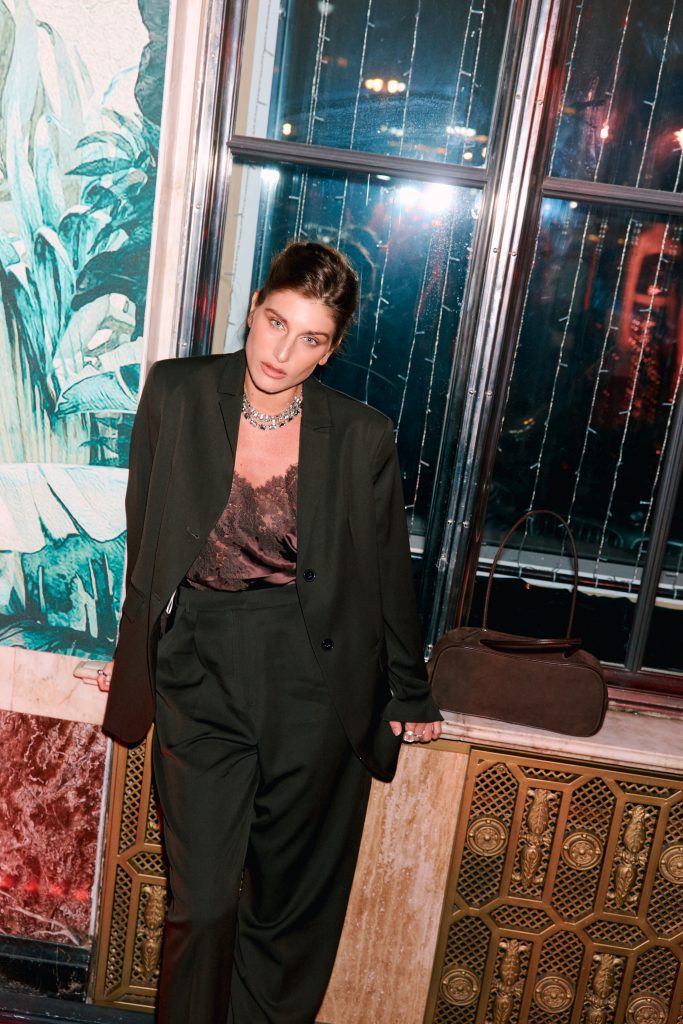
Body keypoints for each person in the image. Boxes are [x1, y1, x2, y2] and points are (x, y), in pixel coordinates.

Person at [101, 240, 443, 1024]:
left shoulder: (359, 434)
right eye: (276, 322)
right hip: (199, 668)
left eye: (310, 338)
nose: (282, 352)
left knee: (286, 908)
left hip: (312, 680)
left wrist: (410, 691)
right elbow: (144, 532)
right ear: (252, 309)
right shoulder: (177, 391)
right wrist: (135, 653)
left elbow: (386, 571)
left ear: (331, 350)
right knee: (202, 902)